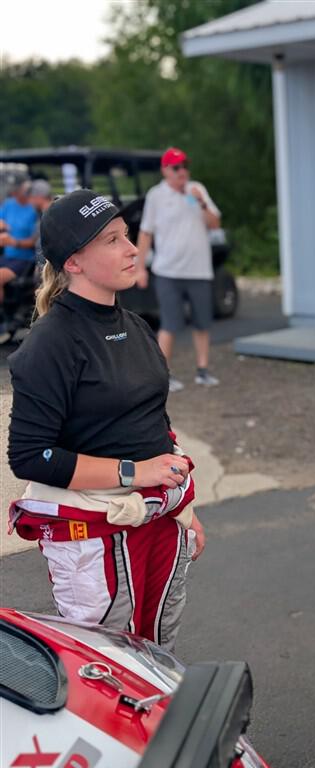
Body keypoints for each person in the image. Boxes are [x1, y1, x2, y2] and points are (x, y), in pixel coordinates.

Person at [8, 189, 205, 649]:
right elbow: (31, 456)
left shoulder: (134, 326)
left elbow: (153, 423)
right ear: (73, 262)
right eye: (112, 240)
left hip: (158, 522)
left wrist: (183, 509)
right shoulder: (50, 344)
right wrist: (134, 473)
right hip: (93, 537)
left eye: (127, 235)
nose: (132, 248)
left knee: (158, 654)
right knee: (106, 668)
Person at [136, 147, 221, 392]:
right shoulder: (156, 195)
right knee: (169, 324)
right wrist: (140, 267)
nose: (182, 171)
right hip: (168, 271)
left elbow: (215, 224)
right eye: (176, 167)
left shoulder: (198, 190)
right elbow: (145, 232)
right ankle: (164, 375)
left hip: (199, 270)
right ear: (165, 171)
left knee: (202, 323)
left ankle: (203, 370)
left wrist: (201, 202)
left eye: (185, 166)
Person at [0, 177, 38, 302]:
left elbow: (34, 241)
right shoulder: (9, 204)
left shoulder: (34, 209)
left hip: (24, 259)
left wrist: (13, 242)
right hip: (7, 256)